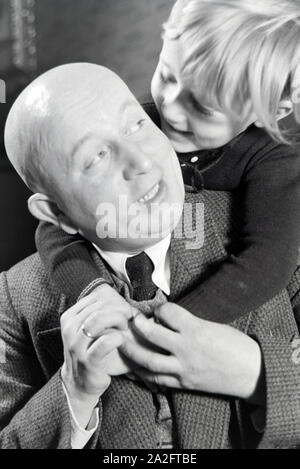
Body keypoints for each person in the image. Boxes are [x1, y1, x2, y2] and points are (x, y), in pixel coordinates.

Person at [1, 63, 300, 449]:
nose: (142, 161)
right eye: (97, 157)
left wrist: (254, 373)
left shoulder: (279, 233)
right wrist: (72, 394)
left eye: (137, 125)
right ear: (56, 213)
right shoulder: (13, 298)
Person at [36, 0, 300, 324]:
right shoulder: (133, 130)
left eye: (203, 109)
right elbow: (56, 225)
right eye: (167, 76)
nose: (171, 110)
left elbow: (267, 263)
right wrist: (92, 291)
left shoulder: (274, 160)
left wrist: (166, 326)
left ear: (273, 111)